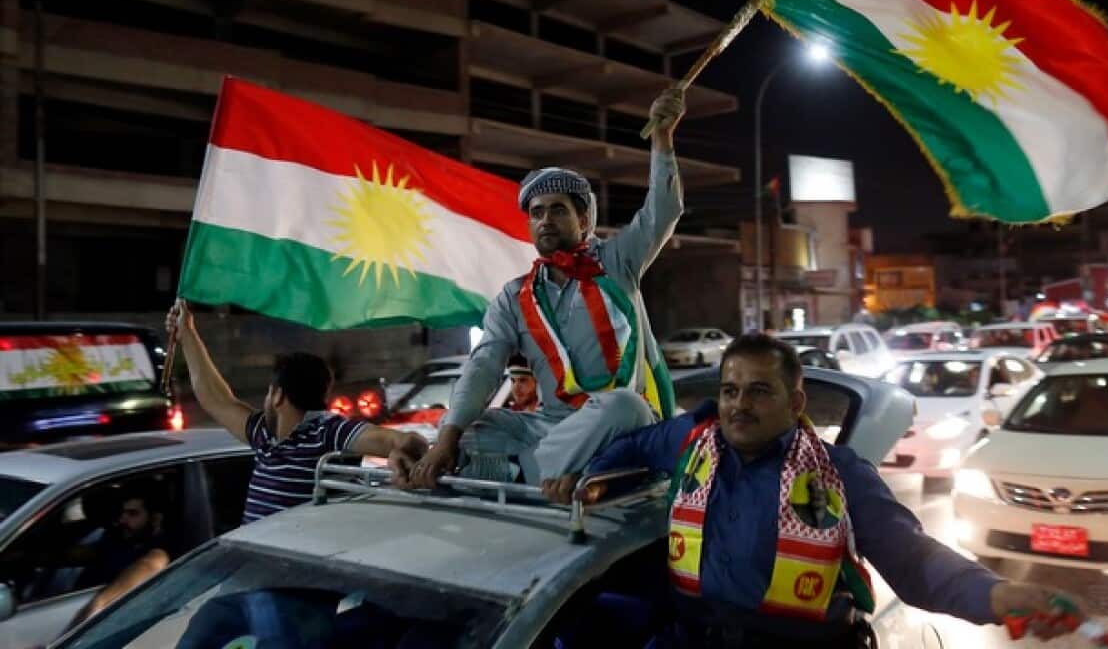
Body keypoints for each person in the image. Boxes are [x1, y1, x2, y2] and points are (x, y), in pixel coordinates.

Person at [549, 334, 1075, 647]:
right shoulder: (689, 442)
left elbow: (911, 558)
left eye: (759, 391)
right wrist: (589, 480)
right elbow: (632, 445)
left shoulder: (839, 473)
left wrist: (995, 594)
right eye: (730, 391)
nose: (739, 405)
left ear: (795, 401)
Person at [408, 87, 687, 491]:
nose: (545, 220)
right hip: (551, 425)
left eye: (558, 209)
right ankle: (549, 471)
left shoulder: (616, 263)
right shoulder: (515, 296)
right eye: (537, 213)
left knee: (625, 405)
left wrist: (662, 139)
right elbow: (484, 365)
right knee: (471, 429)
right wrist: (448, 438)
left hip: (614, 422)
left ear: (584, 221)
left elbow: (663, 211)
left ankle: (521, 473)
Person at [166, 301, 428, 521]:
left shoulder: (328, 432)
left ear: (278, 396)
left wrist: (401, 451)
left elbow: (409, 441)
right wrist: (187, 334)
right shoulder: (262, 434)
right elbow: (216, 399)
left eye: (269, 392)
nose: (266, 399)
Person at [68, 482, 175, 626]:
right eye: (123, 513)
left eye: (133, 513)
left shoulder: (160, 549)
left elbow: (151, 564)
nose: (122, 520)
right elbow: (88, 553)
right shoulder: (118, 537)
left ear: (156, 519)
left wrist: (98, 605)